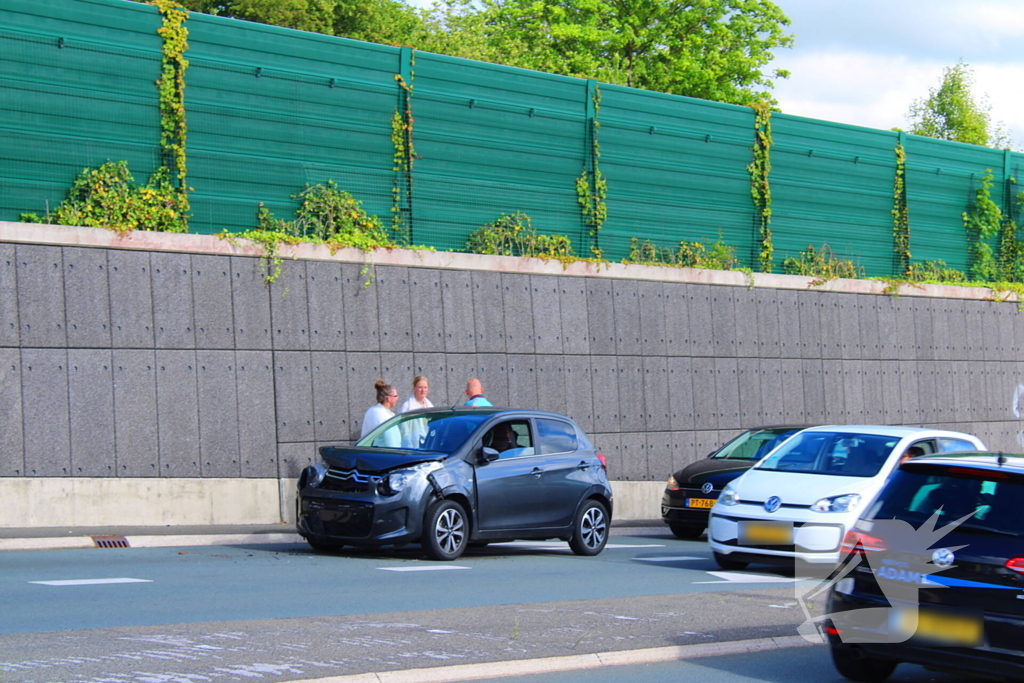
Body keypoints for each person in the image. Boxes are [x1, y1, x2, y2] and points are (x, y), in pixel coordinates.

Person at [398, 375, 432, 448]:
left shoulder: (430, 406)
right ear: (414, 388)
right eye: (420, 387)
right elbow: (404, 431)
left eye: (425, 387)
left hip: (427, 443)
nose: (423, 390)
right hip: (412, 445)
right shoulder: (407, 407)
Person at [360, 379, 399, 443]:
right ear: (388, 399)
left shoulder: (372, 410)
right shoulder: (383, 415)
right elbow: (390, 440)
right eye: (395, 396)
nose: (397, 398)